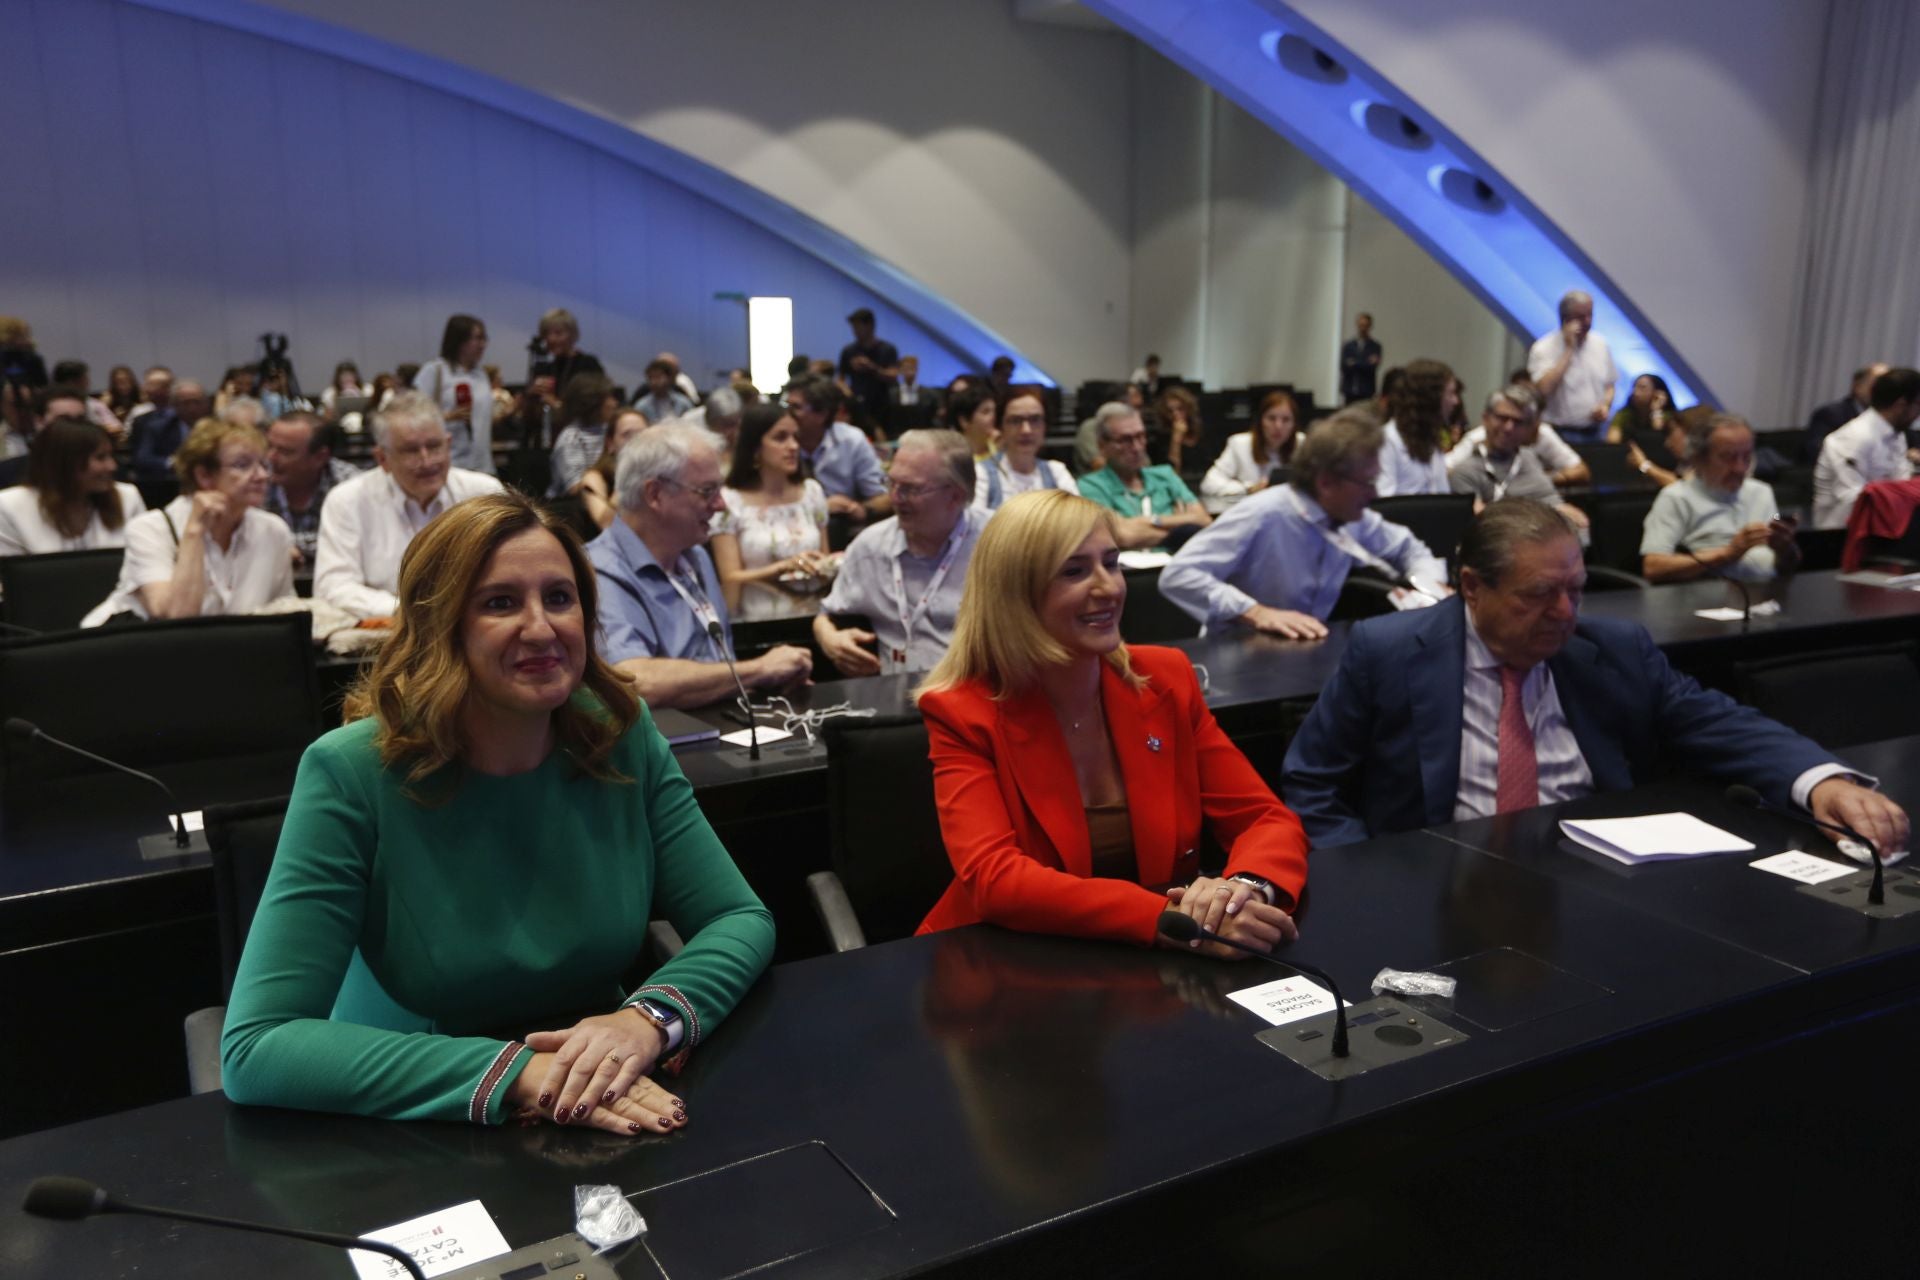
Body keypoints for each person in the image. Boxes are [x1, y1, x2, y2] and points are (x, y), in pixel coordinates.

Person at [220, 490, 775, 1130]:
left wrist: (646, 1020)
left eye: (559, 598)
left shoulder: (621, 732)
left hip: (603, 1084)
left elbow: (739, 916)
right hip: (414, 1113)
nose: (541, 628)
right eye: (499, 603)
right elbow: (256, 1047)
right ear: (441, 625)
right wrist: (517, 1072)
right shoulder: (350, 770)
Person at [1280, 499, 1909, 852]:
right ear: (1471, 587)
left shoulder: (1611, 648)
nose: (1565, 613)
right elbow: (1312, 781)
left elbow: (1715, 720)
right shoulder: (1387, 650)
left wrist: (1821, 783)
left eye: (1576, 591)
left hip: (1592, 864)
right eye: (1540, 594)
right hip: (1438, 875)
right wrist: (1366, 869)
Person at [914, 489, 1309, 949]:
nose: (1109, 587)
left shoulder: (1165, 678)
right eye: (1075, 571)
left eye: (1112, 562)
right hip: (1006, 966)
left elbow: (1263, 819)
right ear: (1015, 596)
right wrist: (1174, 920)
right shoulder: (962, 710)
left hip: (1153, 969)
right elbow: (996, 879)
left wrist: (1240, 892)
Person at [1160, 410, 1447, 641]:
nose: (1374, 494)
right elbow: (1178, 574)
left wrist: (1431, 591)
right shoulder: (1263, 513)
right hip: (1240, 654)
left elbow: (1410, 549)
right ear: (1326, 482)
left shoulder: (1350, 515)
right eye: (1366, 483)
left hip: (1305, 652)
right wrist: (1255, 612)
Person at [587, 423, 812, 708]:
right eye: (707, 491)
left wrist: (763, 678)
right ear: (655, 494)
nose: (720, 505)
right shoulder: (598, 570)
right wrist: (758, 670)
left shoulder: (695, 555)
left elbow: (718, 664)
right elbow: (633, 681)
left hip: (730, 720)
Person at [83, 418, 293, 625]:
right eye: (242, 465)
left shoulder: (273, 530)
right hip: (131, 652)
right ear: (204, 476)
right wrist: (195, 532)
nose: (262, 475)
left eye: (264, 464)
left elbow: (283, 613)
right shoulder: (149, 530)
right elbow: (177, 618)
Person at [314, 391, 505, 619]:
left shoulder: (484, 493)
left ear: (448, 444)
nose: (427, 461)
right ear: (382, 459)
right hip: (388, 636)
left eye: (434, 447)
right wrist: (413, 613)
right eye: (410, 451)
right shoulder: (347, 501)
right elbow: (333, 587)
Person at [814, 429, 983, 677]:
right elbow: (825, 614)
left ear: (955, 495)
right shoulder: (870, 547)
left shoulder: (998, 543)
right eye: (891, 483)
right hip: (896, 700)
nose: (895, 498)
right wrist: (829, 639)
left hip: (980, 694)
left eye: (911, 489)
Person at [1641, 413, 1799, 584]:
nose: (1740, 468)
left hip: (1767, 594)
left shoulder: (1761, 492)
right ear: (1698, 458)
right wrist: (1728, 553)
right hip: (1709, 598)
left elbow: (1784, 565)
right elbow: (1653, 568)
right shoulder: (1676, 497)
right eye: (1728, 458)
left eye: (1746, 457)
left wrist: (1785, 549)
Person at [710, 403, 830, 608]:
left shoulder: (811, 492)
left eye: (795, 437)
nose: (793, 446)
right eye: (780, 438)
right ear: (755, 447)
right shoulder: (730, 501)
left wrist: (825, 564)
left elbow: (825, 561)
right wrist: (781, 568)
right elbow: (729, 579)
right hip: (755, 618)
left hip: (813, 612)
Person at [1448, 386, 1592, 536]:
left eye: (1518, 422)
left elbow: (1556, 504)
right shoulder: (1465, 469)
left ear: (1528, 428)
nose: (1509, 427)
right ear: (1485, 419)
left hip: (1540, 536)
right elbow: (1484, 522)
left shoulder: (1529, 459)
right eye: (1502, 418)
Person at [0, 417, 145, 556]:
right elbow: (9, 576)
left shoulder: (127, 498)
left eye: (110, 456)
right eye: (100, 457)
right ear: (65, 463)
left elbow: (145, 567)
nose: (112, 466)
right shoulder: (9, 507)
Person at [1075, 402, 1211, 551]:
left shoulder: (1165, 475)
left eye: (1141, 436)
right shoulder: (1090, 486)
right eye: (1125, 440)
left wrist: (1150, 522)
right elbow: (1121, 536)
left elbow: (1204, 520)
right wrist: (1181, 528)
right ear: (1102, 446)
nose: (1137, 447)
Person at [1812, 367, 1920, 529]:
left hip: (1879, 529)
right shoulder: (1853, 438)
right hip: (1838, 536)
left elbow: (1901, 484)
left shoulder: (1897, 435)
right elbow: (1855, 499)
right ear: (1901, 405)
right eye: (1918, 405)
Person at [783, 375, 890, 525]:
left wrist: (859, 509)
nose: (787, 415)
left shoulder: (851, 440)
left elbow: (881, 497)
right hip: (791, 524)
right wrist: (822, 507)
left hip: (842, 527)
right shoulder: (777, 441)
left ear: (822, 414)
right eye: (786, 406)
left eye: (796, 408)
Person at [263, 409, 361, 566]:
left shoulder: (352, 486)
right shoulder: (254, 478)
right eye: (269, 446)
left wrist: (278, 545)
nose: (271, 458)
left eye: (285, 451)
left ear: (320, 457)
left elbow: (353, 543)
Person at [1528, 289, 1616, 441]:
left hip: (1595, 430)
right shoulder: (1543, 348)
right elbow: (1542, 390)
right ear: (1565, 319)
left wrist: (1605, 405)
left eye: (1590, 315)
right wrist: (1569, 350)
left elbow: (1610, 385)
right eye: (1581, 317)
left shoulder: (1600, 344)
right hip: (1559, 432)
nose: (1588, 322)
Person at [413, 314, 494, 474]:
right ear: (460, 341)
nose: (482, 345)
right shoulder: (435, 371)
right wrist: (448, 416)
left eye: (484, 339)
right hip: (449, 464)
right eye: (477, 338)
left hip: (482, 464)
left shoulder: (480, 375)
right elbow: (414, 416)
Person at [976, 386, 1077, 511]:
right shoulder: (981, 473)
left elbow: (1077, 522)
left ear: (1045, 425)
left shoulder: (1056, 472)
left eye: (1035, 420)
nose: (1026, 430)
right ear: (1001, 427)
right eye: (1015, 420)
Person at [518, 308, 606, 447]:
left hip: (581, 441)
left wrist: (556, 404)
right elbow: (526, 417)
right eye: (547, 334)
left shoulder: (588, 364)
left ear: (573, 335)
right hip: (546, 441)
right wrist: (530, 395)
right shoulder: (543, 368)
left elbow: (593, 408)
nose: (551, 339)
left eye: (558, 333)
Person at [1376, 358, 1458, 496]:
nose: (1456, 401)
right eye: (1450, 393)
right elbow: (1383, 505)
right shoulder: (1386, 441)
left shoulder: (1431, 441)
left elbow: (1442, 499)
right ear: (1431, 398)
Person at [1202, 390, 1298, 497]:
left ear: (1294, 424)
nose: (1278, 426)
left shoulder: (1303, 444)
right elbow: (1209, 483)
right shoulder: (1240, 444)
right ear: (1260, 421)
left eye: (1286, 420)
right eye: (1271, 418)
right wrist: (1248, 488)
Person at [546, 372, 621, 498]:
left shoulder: (610, 429)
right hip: (572, 507)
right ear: (592, 404)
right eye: (609, 398)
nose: (615, 404)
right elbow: (575, 488)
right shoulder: (572, 438)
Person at [1804, 362, 1891, 465]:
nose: (1884, 392)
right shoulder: (1830, 414)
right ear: (1858, 386)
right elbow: (1818, 451)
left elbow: (1912, 445)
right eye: (1878, 385)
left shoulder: (1891, 417)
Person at [579, 409, 650, 531]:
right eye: (627, 435)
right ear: (610, 443)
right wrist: (629, 474)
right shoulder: (594, 478)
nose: (636, 441)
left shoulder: (659, 475)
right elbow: (606, 524)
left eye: (643, 435)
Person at [130, 376, 207, 481]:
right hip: (171, 483)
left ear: (206, 403)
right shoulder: (159, 427)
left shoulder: (216, 427)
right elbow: (142, 459)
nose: (192, 408)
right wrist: (172, 463)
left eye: (196, 402)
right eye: (186, 403)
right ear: (174, 405)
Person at [838, 307, 900, 426]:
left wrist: (872, 368)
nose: (855, 331)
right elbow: (841, 379)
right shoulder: (848, 351)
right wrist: (848, 394)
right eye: (853, 327)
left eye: (858, 327)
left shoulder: (887, 349)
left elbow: (893, 375)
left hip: (882, 406)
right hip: (857, 406)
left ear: (870, 326)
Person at [1607, 372, 1673, 445]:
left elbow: (1658, 440)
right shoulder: (1625, 413)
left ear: (1656, 393)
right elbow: (1612, 442)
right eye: (1634, 387)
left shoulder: (1668, 416)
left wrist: (1656, 411)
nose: (1635, 392)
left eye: (1642, 388)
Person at [1153, 385, 1204, 475]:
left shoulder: (1199, 431)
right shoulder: (1160, 438)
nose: (1175, 414)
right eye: (1170, 411)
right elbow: (1172, 473)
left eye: (1180, 409)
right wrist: (1176, 438)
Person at [946, 381, 999, 464]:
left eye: (994, 411)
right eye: (985, 412)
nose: (993, 417)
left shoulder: (1001, 447)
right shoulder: (955, 460)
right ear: (964, 421)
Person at [886, 354, 939, 434]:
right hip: (898, 434)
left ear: (917, 370)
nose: (909, 371)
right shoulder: (892, 394)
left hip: (923, 433)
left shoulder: (928, 394)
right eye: (906, 368)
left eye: (912, 368)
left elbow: (931, 416)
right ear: (901, 370)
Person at [633, 359, 694, 425]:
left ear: (669, 378)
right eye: (650, 378)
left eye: (658, 377)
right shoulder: (642, 406)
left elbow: (692, 425)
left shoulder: (683, 403)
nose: (654, 382)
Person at [1340, 313, 1382, 405]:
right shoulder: (1348, 346)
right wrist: (1365, 362)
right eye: (1361, 325)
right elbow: (1344, 367)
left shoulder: (1375, 346)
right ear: (1357, 325)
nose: (1363, 328)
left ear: (1370, 326)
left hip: (1366, 391)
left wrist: (1354, 363)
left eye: (1365, 325)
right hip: (1350, 390)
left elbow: (1372, 368)